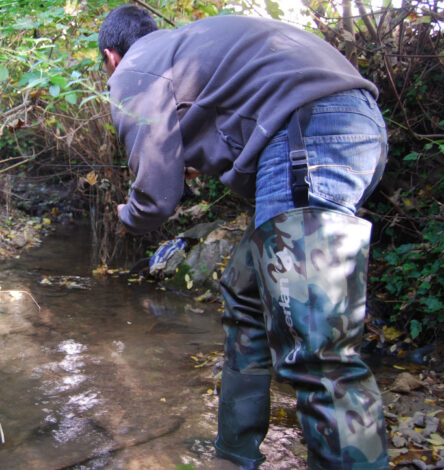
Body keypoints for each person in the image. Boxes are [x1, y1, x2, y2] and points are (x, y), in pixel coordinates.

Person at [99, 5, 389, 469]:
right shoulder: (183, 48)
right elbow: (224, 121)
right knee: (246, 292)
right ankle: (233, 458)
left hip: (307, 137)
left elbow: (154, 198)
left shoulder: (134, 68)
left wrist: (125, 215)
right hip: (346, 129)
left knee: (316, 348)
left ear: (111, 57)